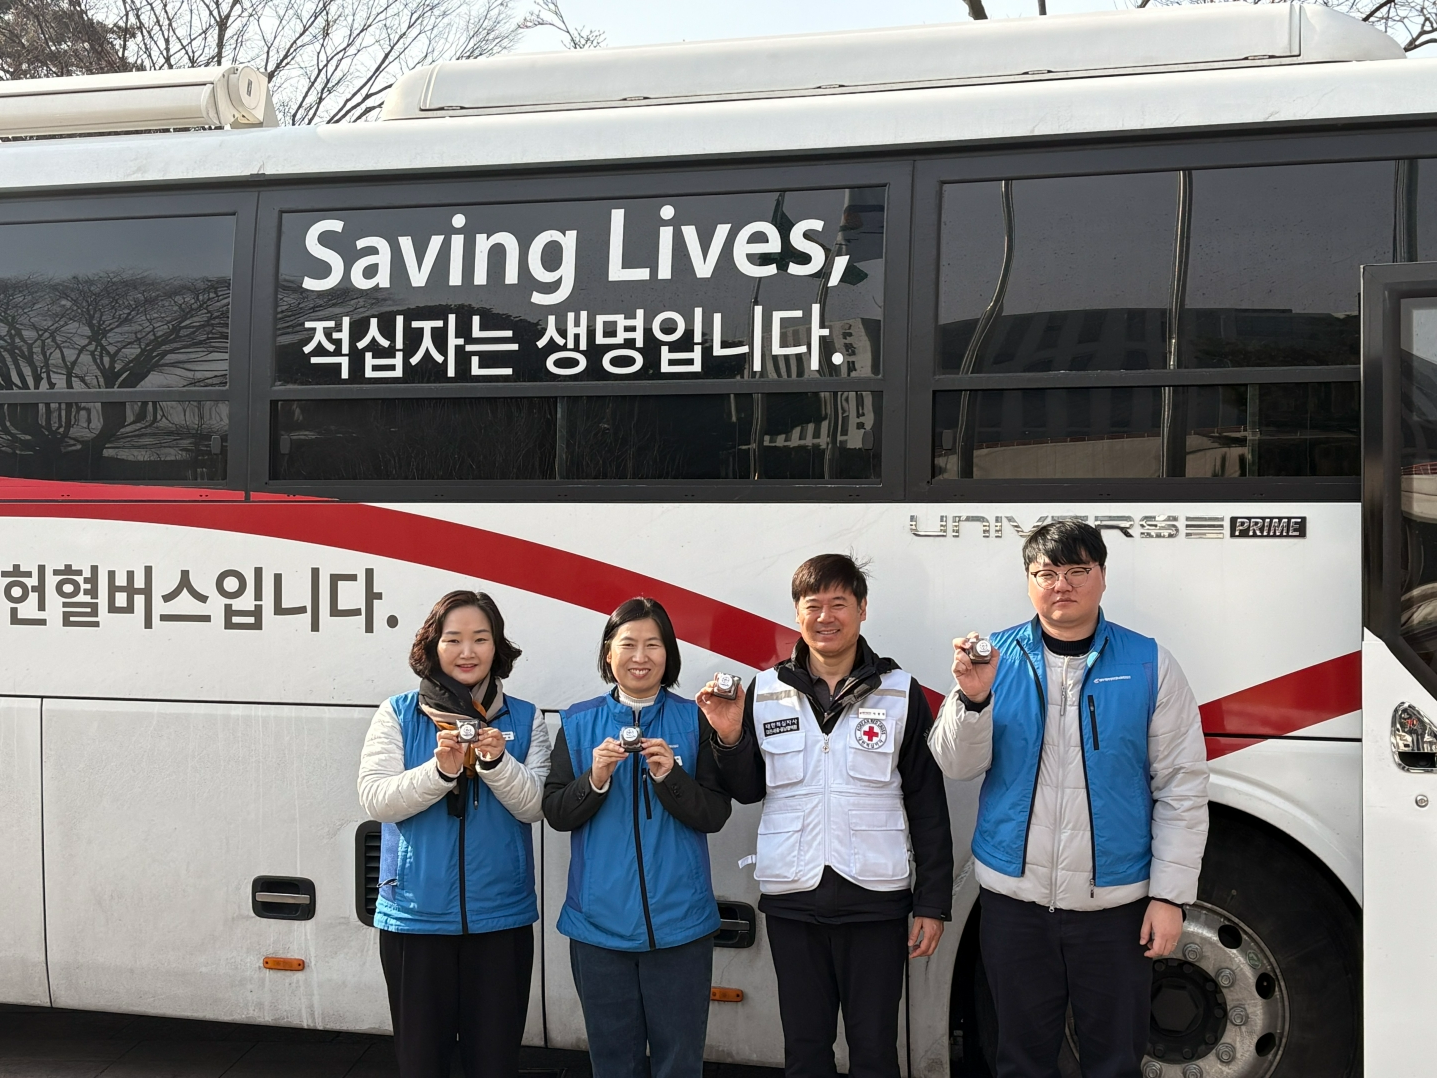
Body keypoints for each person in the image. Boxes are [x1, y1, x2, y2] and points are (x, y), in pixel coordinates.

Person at [929, 519, 1209, 1078]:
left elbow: (1181, 785)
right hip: (1014, 906)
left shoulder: (1151, 663)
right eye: (1047, 573)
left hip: (1115, 911)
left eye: (1078, 570)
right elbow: (956, 766)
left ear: (1102, 576)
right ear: (1028, 581)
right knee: (1020, 1062)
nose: (1062, 584)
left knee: (1114, 1062)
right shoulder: (994, 659)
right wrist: (973, 698)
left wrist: (1170, 897)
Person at [702, 554, 954, 1078]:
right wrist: (729, 735)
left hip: (876, 903)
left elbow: (927, 803)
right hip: (795, 903)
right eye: (813, 605)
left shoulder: (900, 692)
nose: (826, 616)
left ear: (862, 610)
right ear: (797, 615)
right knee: (805, 1052)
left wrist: (933, 903)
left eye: (839, 603)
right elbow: (748, 791)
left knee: (875, 1053)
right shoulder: (766, 690)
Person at [357, 590, 550, 1078]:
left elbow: (535, 806)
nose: (468, 651)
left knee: (495, 1064)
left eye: (481, 639)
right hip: (416, 920)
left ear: (497, 647)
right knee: (422, 1065)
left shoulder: (526, 718)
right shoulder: (398, 713)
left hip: (500, 919)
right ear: (433, 646)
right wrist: (440, 772)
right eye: (454, 639)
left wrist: (495, 761)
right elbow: (376, 798)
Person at [543, 597, 732, 1078]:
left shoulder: (696, 720)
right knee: (613, 1064)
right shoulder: (579, 720)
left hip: (681, 927)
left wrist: (671, 776)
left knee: (679, 1062)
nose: (640, 656)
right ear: (609, 653)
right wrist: (597, 777)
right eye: (628, 644)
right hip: (598, 929)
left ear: (669, 654)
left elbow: (715, 813)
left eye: (653, 644)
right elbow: (557, 813)